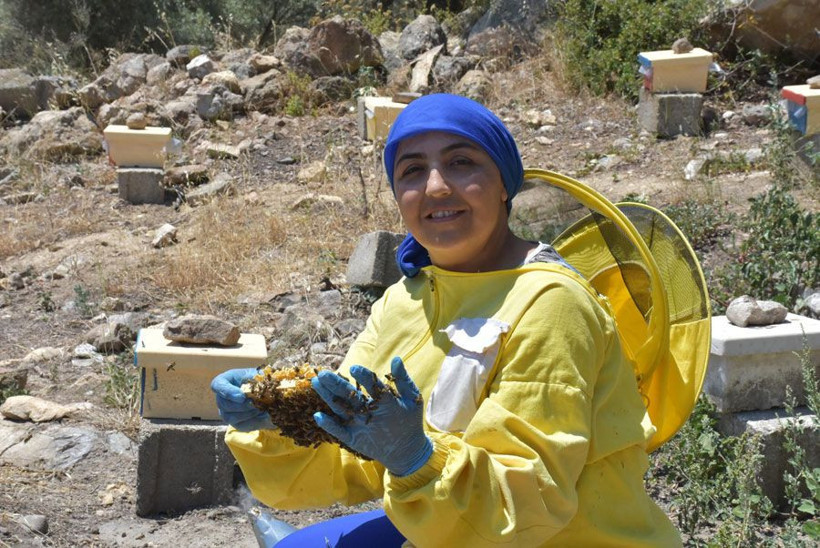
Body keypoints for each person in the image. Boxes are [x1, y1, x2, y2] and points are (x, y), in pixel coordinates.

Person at [211, 93, 682, 547]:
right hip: (452, 528)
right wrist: (278, 417)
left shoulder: (551, 303)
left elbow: (531, 504)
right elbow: (348, 455)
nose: (436, 186)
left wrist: (414, 457)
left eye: (461, 162)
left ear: (504, 184)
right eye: (413, 170)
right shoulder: (405, 301)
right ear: (398, 195)